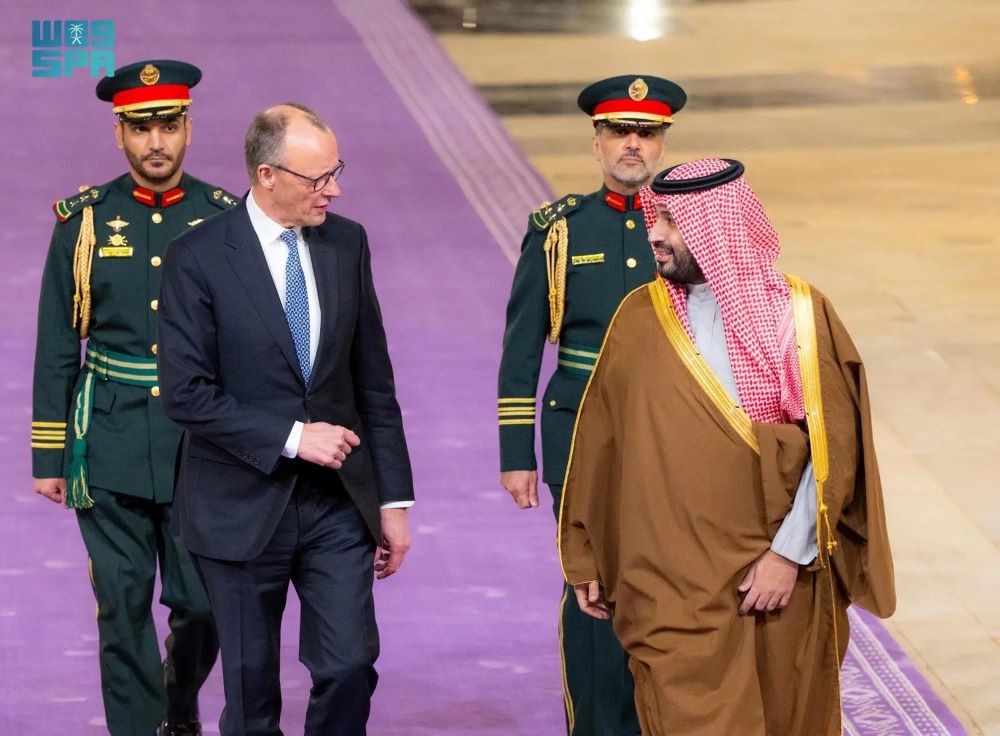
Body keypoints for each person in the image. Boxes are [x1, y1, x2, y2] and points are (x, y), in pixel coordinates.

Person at [558, 158, 896, 735]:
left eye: (670, 220)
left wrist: (787, 556)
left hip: (771, 577)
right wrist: (588, 552)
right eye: (654, 216)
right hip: (664, 579)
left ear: (718, 226)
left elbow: (832, 451)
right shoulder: (638, 319)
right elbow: (600, 447)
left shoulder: (797, 318)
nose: (653, 233)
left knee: (785, 714)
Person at [156, 103, 414, 736]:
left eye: (336, 172)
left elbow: (373, 381)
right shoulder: (197, 256)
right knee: (251, 699)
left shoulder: (347, 242)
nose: (334, 190)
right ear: (266, 175)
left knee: (350, 665)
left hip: (336, 502)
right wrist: (295, 438)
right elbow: (186, 394)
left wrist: (394, 500)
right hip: (238, 503)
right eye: (317, 177)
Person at [31, 59, 235, 736]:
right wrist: (49, 455)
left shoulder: (224, 220)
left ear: (188, 129)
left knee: (201, 604)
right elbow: (58, 342)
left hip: (200, 445)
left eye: (168, 126)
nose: (156, 142)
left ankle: (177, 703)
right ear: (119, 133)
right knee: (121, 606)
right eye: (141, 128)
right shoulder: (85, 222)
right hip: (109, 440)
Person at [497, 74, 686, 734]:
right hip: (579, 435)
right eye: (619, 131)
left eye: (647, 133)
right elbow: (522, 346)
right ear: (597, 140)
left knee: (666, 579)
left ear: (662, 144)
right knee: (592, 586)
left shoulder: (687, 228)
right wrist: (517, 453)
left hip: (671, 433)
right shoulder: (560, 230)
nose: (633, 144)